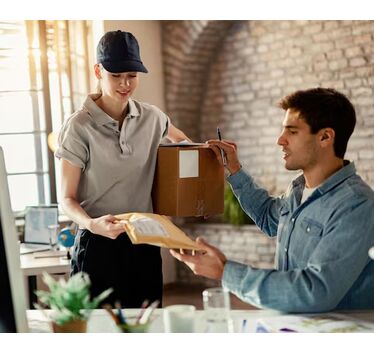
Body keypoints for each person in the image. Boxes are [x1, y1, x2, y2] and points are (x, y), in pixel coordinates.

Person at [171, 88, 374, 313]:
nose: (280, 140)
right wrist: (234, 168)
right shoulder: (298, 190)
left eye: (292, 131)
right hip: (295, 326)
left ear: (325, 137)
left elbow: (314, 291)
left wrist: (225, 271)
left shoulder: (357, 205)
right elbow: (269, 218)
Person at [55, 30, 191, 308]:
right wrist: (93, 224)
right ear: (98, 71)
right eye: (115, 75)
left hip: (145, 243)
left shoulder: (153, 117)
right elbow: (66, 199)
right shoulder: (78, 127)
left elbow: (185, 145)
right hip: (97, 244)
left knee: (147, 328)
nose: (125, 83)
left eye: (131, 74)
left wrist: (185, 186)